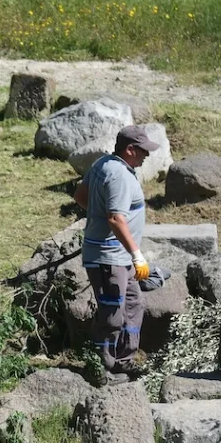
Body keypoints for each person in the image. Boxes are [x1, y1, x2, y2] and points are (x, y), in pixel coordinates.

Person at [73, 125, 160, 377]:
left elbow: (80, 196)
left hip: (118, 256)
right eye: (143, 151)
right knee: (113, 312)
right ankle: (102, 367)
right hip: (109, 258)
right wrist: (137, 254)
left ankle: (125, 360)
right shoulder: (120, 176)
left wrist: (96, 216)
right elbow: (115, 218)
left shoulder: (103, 163)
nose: (147, 155)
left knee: (133, 303)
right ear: (130, 149)